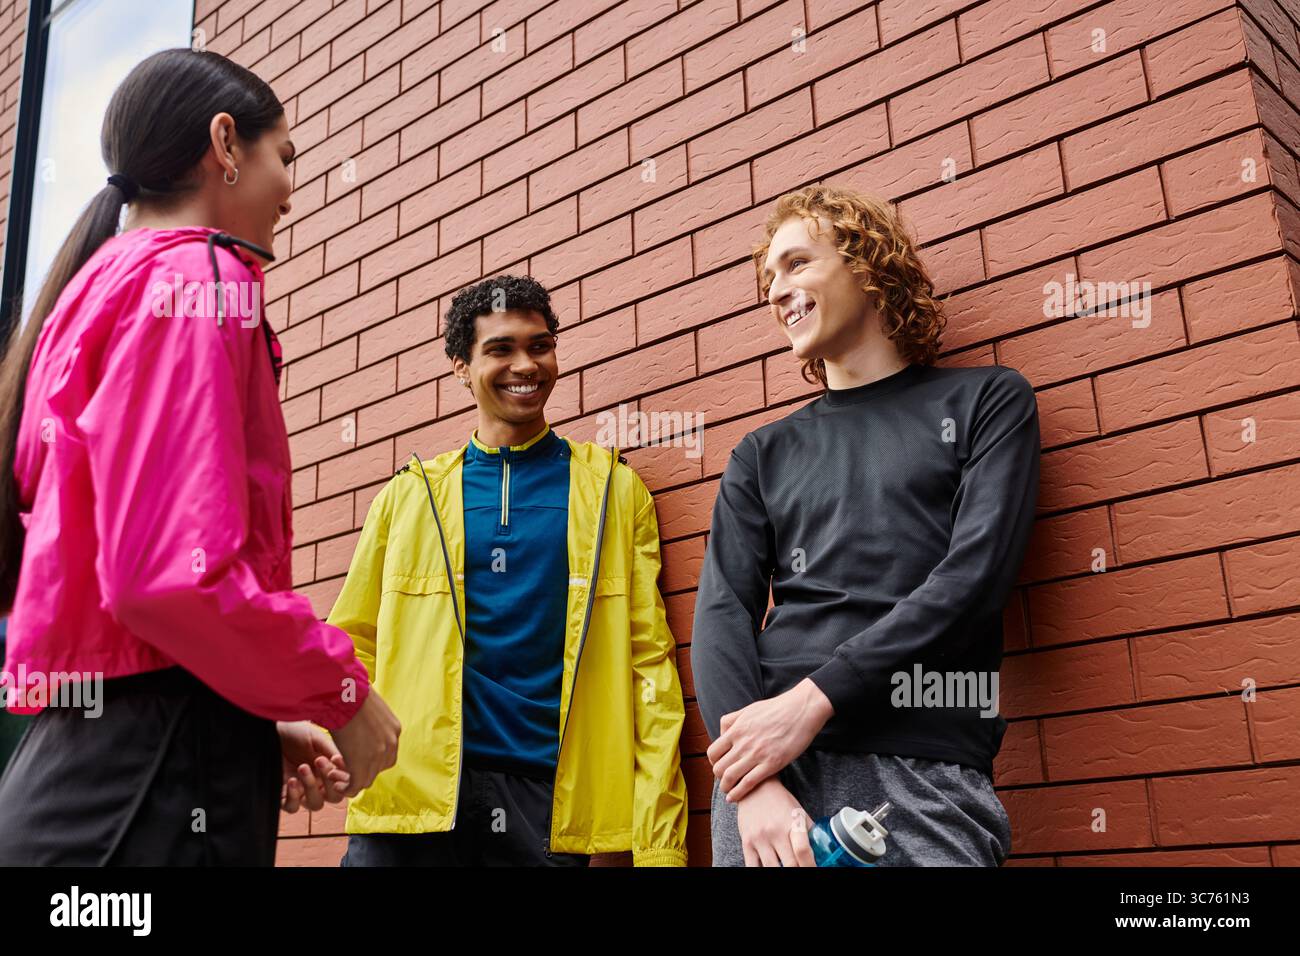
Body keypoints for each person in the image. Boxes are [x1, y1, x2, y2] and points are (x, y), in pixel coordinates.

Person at [0, 48, 399, 866]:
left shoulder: (94, 288)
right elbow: (168, 575)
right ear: (225, 143)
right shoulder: (197, 276)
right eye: (283, 156)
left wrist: (254, 702)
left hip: (103, 761)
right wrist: (341, 690)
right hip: (149, 775)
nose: (291, 187)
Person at [692, 184, 1040, 867]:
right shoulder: (762, 453)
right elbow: (722, 611)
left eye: (796, 264)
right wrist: (749, 779)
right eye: (768, 277)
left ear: (869, 265)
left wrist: (815, 699)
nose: (775, 290)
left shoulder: (987, 401)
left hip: (918, 763)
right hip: (769, 780)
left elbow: (974, 580)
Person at [329, 275, 689, 866]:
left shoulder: (612, 492)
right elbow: (353, 641)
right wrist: (338, 746)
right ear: (460, 367)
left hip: (544, 805)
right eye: (500, 349)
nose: (525, 363)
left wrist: (657, 850)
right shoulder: (408, 497)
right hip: (410, 801)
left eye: (539, 345)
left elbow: (649, 669)